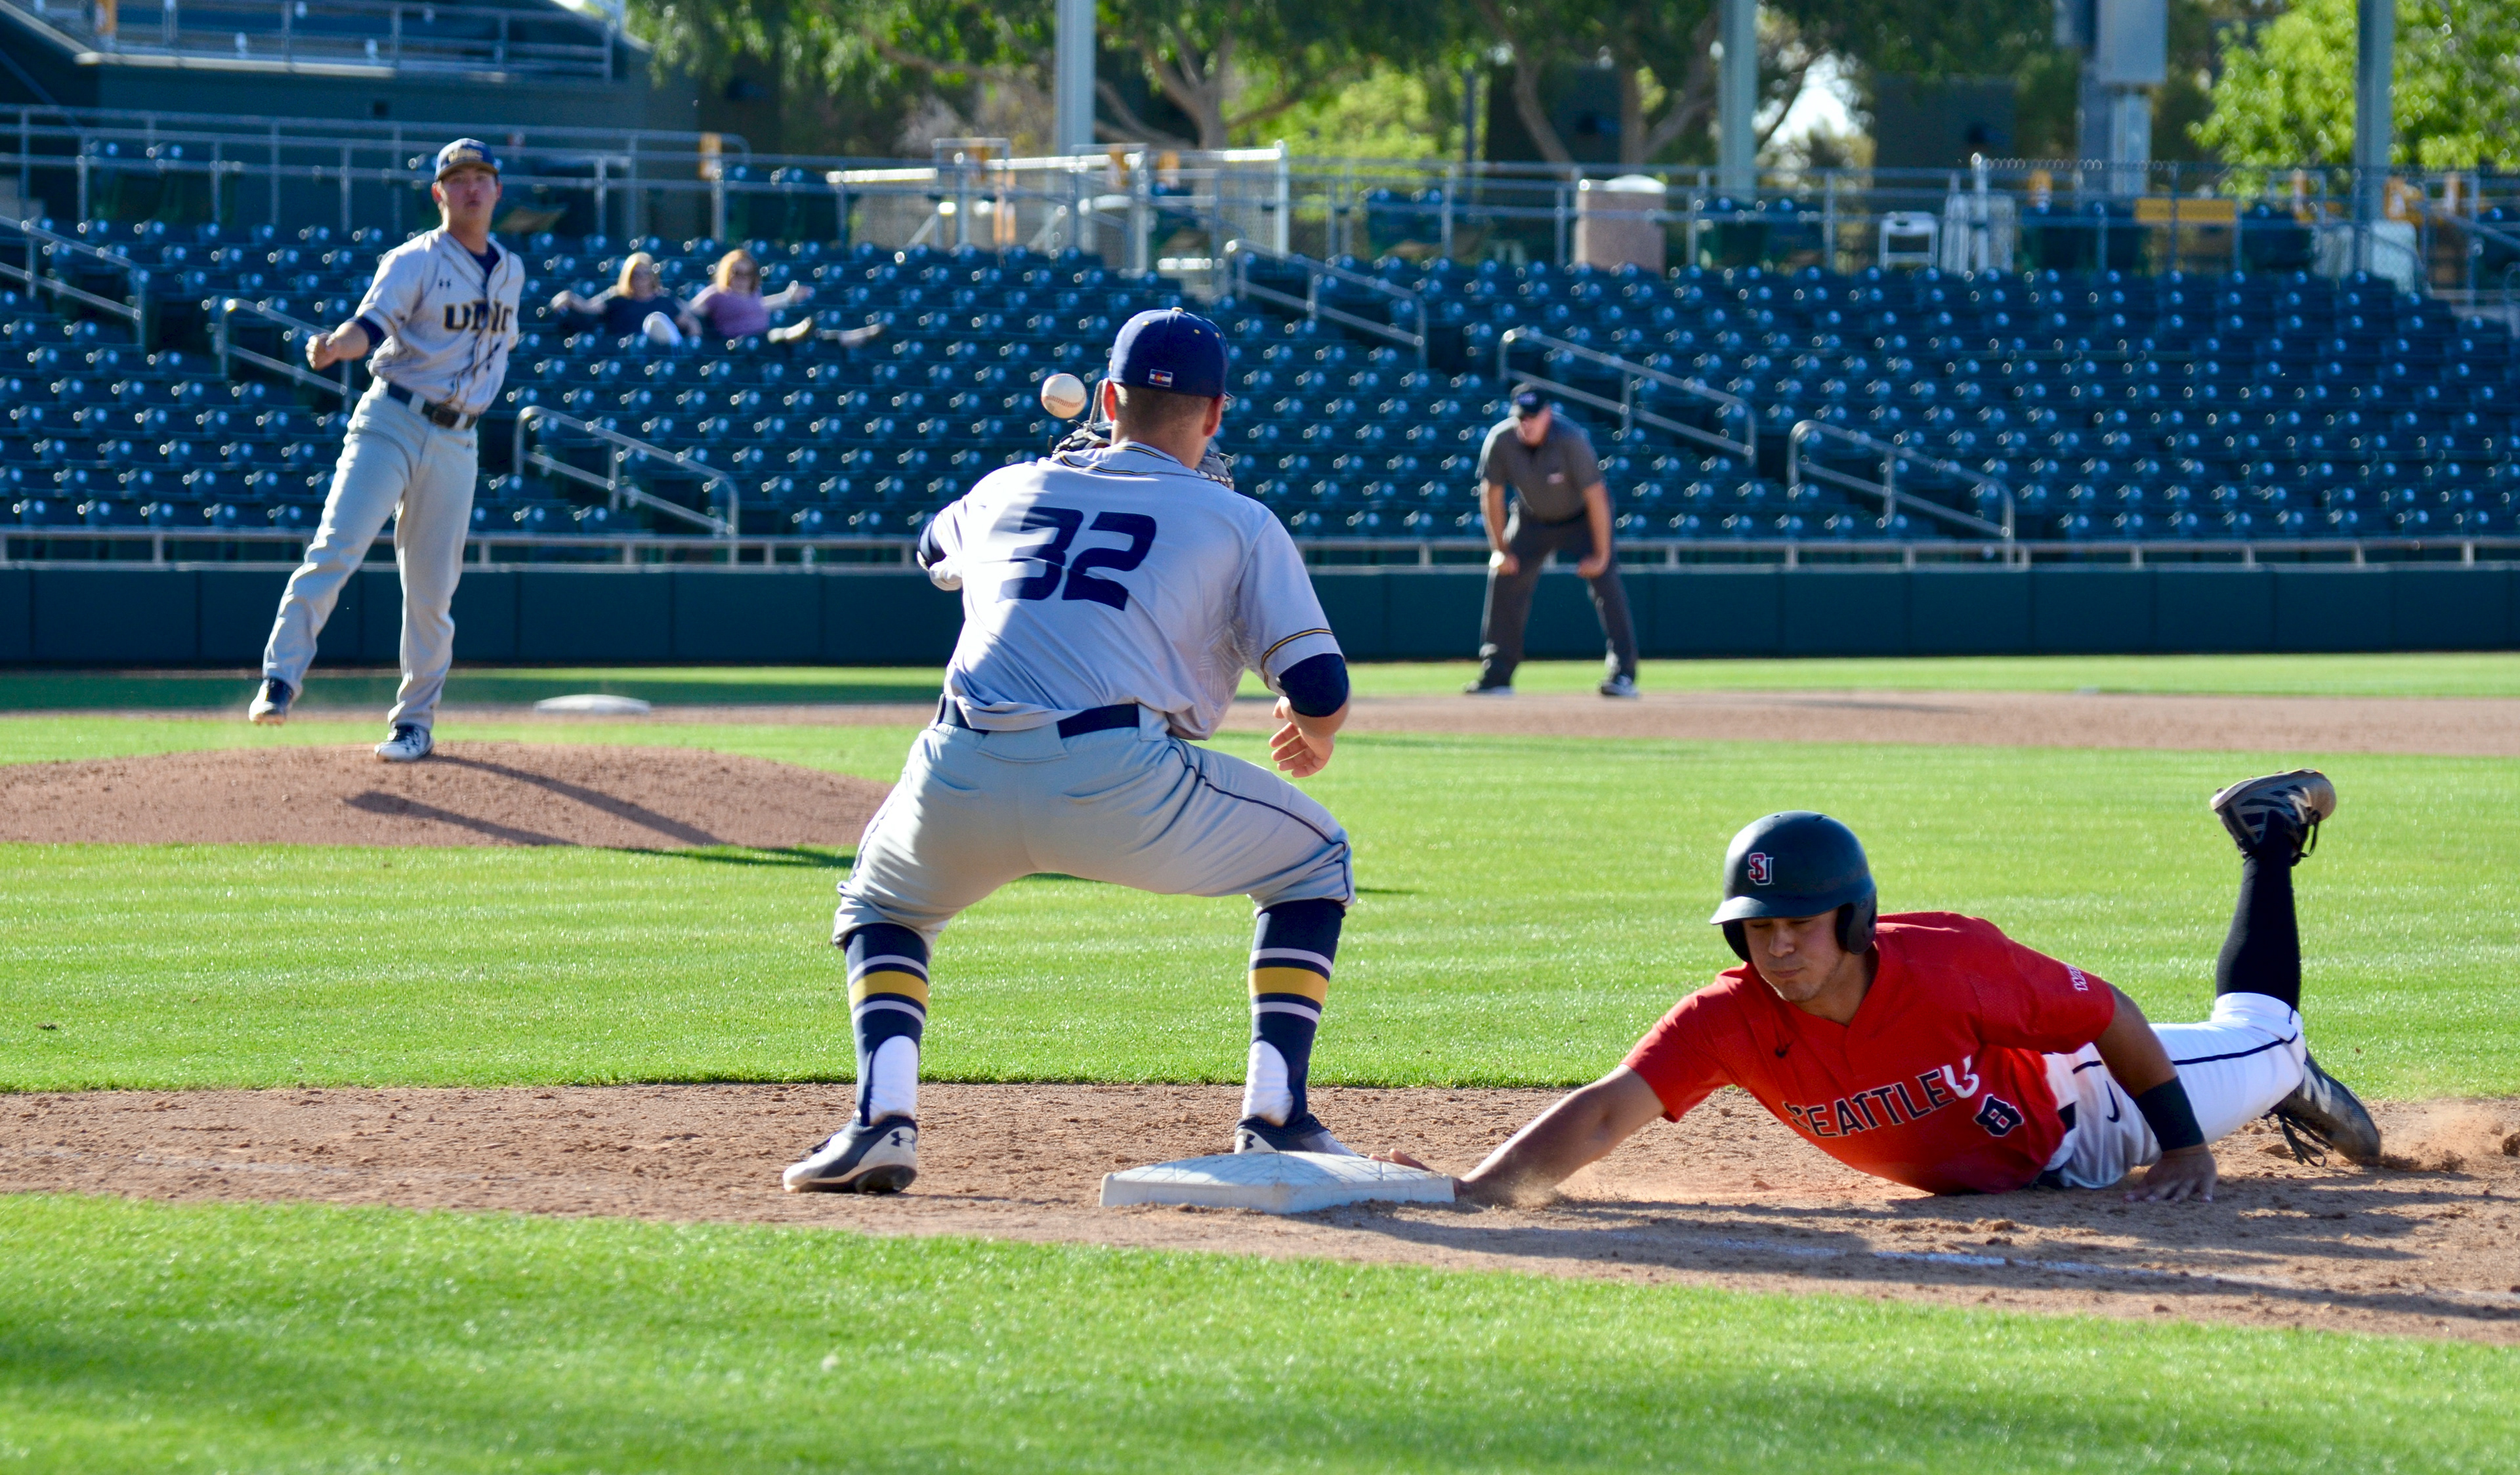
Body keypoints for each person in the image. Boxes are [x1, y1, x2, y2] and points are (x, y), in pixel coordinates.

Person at [783, 308, 1360, 1194]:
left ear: (1107, 398)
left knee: (882, 909)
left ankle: (881, 1119)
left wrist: (1044, 480)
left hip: (958, 768)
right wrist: (1312, 733)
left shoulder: (1009, 487)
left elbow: (928, 548)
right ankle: (1276, 1115)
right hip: (1120, 781)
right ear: (1214, 417)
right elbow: (1319, 685)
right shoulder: (1238, 519)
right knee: (1315, 861)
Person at [1391, 771, 2382, 1207]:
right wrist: (1484, 1193)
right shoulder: (1729, 1021)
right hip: (2022, 1160)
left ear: (1855, 921)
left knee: (2266, 1035)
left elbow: (2111, 1014)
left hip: (2100, 1109)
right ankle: (2267, 1076)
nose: (1777, 949)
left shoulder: (1949, 964)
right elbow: (1609, 1115)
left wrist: (2180, 1148)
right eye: (1757, 929)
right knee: (2251, 1049)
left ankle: (2270, 835)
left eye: (1799, 925)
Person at [246, 140, 524, 762]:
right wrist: (338, 346)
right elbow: (369, 325)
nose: (472, 188)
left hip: (459, 439)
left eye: (483, 177)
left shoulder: (512, 271)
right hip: (392, 420)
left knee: (432, 592)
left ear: (497, 191)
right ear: (439, 194)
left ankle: (414, 724)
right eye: (458, 179)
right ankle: (281, 679)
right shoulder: (414, 260)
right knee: (336, 546)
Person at [1465, 384, 1639, 699]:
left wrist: (1600, 555)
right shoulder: (1502, 440)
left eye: (1533, 417)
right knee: (1504, 576)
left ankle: (1623, 674)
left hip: (1581, 519)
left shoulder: (1570, 439)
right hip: (1531, 520)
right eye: (1521, 418)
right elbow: (1491, 493)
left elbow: (1597, 496)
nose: (1526, 424)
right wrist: (1500, 550)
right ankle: (1497, 674)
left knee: (1607, 580)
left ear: (1547, 414)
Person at [549, 251, 694, 344]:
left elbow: (690, 324)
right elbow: (589, 307)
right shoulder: (617, 299)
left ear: (652, 276)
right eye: (635, 274)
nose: (641, 279)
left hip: (657, 359)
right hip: (625, 357)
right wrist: (568, 297)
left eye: (645, 273)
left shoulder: (665, 301)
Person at [687, 247, 814, 344]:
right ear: (728, 273)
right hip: (737, 342)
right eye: (737, 273)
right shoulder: (717, 294)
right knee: (774, 336)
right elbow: (691, 310)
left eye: (748, 274)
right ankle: (791, 334)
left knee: (773, 336)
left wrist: (788, 298)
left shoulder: (755, 294)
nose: (743, 278)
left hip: (762, 339)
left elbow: (763, 305)